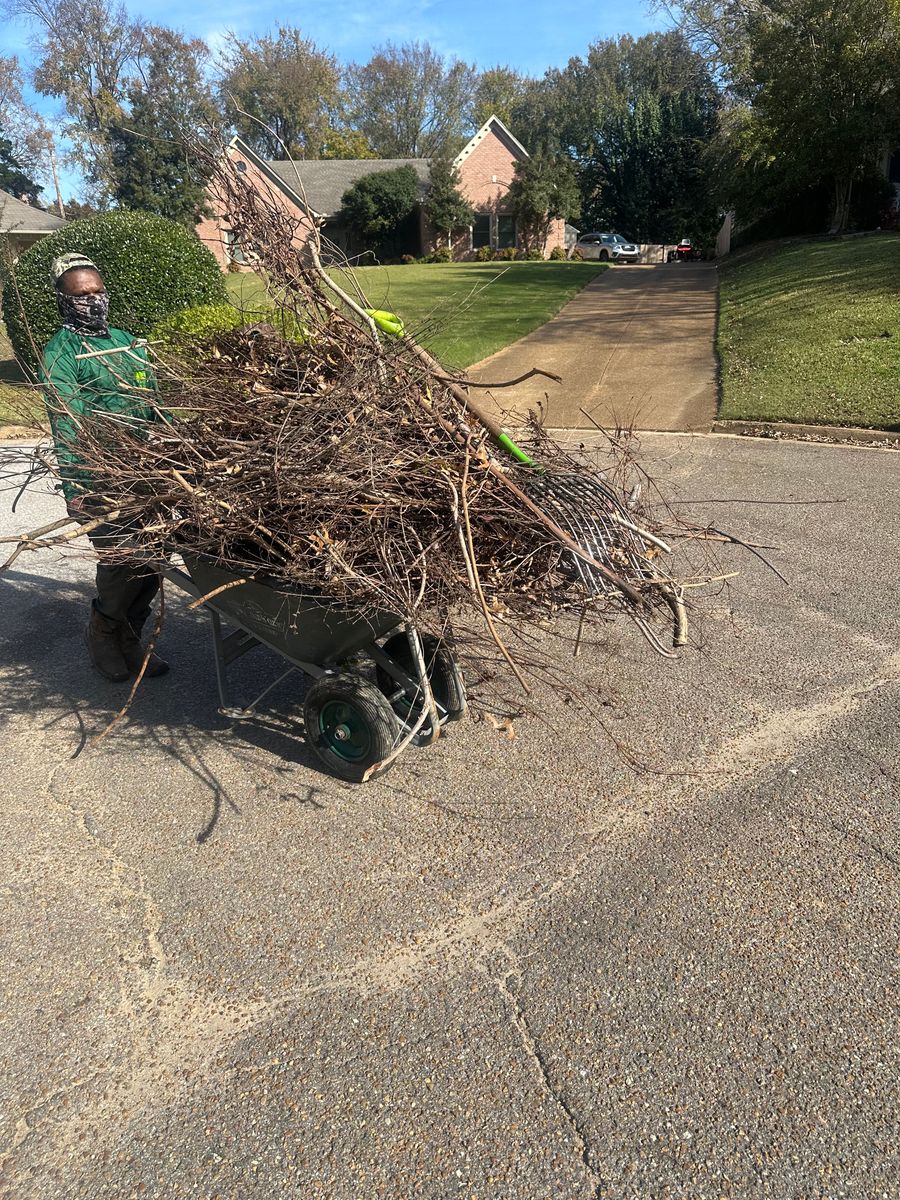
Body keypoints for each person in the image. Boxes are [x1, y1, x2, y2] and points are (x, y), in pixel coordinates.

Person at [40, 251, 169, 682]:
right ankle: (102, 635)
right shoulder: (61, 353)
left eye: (97, 291)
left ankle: (130, 638)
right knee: (121, 562)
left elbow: (153, 403)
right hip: (100, 476)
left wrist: (181, 444)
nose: (92, 301)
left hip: (147, 470)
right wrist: (77, 487)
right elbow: (67, 422)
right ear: (63, 300)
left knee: (154, 559)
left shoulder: (128, 343)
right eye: (81, 295)